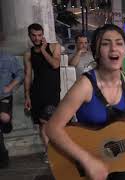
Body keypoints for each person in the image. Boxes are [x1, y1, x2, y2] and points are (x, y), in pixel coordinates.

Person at [46, 24, 125, 180]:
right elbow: (52, 128)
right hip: (85, 166)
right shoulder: (85, 85)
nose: (114, 48)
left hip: (119, 161)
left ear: (124, 51)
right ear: (96, 51)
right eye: (106, 44)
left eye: (119, 43)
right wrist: (86, 160)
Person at [23, 23, 61, 155]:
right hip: (37, 92)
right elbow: (28, 76)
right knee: (42, 124)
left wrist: (44, 51)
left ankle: (57, 150)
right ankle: (49, 152)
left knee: (51, 122)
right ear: (29, 36)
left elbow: (56, 65)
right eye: (33, 35)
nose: (37, 38)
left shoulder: (55, 46)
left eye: (39, 35)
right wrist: (27, 96)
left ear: (43, 35)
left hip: (53, 92)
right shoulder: (28, 54)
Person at [0, 52, 24, 168]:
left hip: (3, 97)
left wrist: (10, 86)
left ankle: (6, 122)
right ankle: (3, 159)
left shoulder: (8, 58)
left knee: (3, 119)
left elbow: (20, 74)